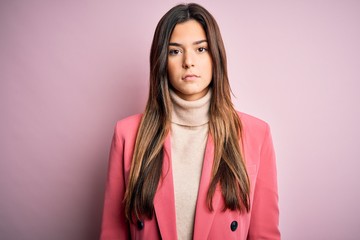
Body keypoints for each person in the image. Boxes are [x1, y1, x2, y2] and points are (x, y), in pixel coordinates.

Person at [100, 3, 280, 240]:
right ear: (162, 60)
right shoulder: (127, 134)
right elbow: (113, 234)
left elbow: (264, 235)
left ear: (216, 56)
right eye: (175, 51)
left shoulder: (256, 134)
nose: (188, 62)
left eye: (201, 49)